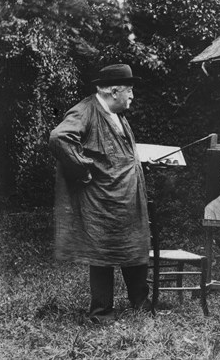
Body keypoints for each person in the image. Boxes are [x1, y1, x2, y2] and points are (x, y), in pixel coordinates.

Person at [49, 64, 150, 323]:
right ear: (114, 91)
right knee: (102, 253)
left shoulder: (117, 113)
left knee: (133, 246)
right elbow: (60, 137)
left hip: (127, 198)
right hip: (102, 201)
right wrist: (83, 169)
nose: (132, 96)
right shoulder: (86, 111)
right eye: (129, 90)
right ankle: (102, 313)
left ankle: (140, 303)